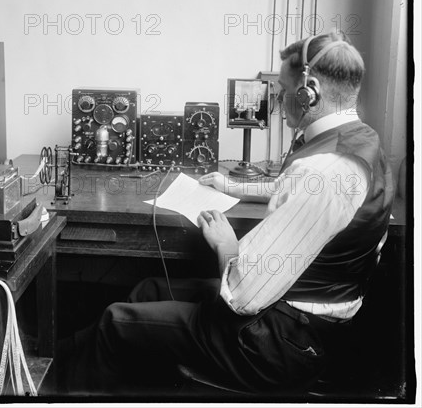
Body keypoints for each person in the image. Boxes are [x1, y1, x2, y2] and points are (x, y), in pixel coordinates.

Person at [58, 32, 394, 396]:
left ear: (308, 91)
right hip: (296, 322)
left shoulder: (324, 170)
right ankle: (74, 365)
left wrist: (227, 245)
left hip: (274, 342)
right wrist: (233, 186)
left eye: (283, 89)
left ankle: (62, 385)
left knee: (114, 322)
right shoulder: (360, 143)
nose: (281, 100)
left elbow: (244, 295)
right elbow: (299, 193)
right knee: (148, 288)